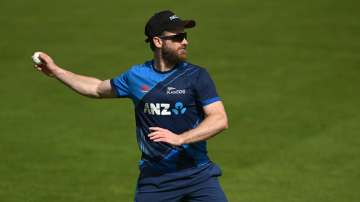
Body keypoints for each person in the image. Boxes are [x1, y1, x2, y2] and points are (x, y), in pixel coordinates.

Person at [33, 10, 229, 202]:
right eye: (178, 37)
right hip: (156, 180)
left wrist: (181, 138)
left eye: (185, 36)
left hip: (199, 175)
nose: (185, 41)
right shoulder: (136, 76)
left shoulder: (196, 76)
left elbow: (219, 119)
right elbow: (97, 88)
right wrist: (56, 71)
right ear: (158, 41)